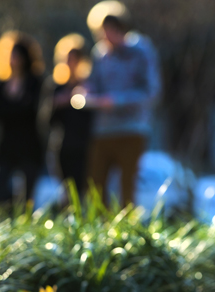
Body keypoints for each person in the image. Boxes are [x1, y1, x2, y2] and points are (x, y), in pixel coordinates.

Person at [85, 4, 161, 207]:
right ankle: (100, 231)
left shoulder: (141, 50)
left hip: (132, 128)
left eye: (111, 31)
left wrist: (117, 100)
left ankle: (126, 232)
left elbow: (151, 91)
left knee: (127, 185)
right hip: (102, 130)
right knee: (96, 184)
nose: (107, 36)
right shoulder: (99, 54)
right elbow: (93, 84)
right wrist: (86, 94)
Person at [0, 34, 45, 205]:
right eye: (11, 55)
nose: (14, 60)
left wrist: (11, 110)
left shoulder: (36, 83)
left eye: (18, 55)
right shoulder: (0, 83)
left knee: (27, 197)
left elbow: (37, 112)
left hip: (29, 144)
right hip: (5, 145)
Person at [49, 34, 93, 197]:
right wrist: (58, 104)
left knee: (85, 188)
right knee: (66, 190)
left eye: (75, 58)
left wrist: (87, 99)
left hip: (86, 145)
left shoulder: (89, 85)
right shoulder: (55, 87)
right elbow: (47, 121)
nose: (71, 63)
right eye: (67, 59)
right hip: (63, 146)